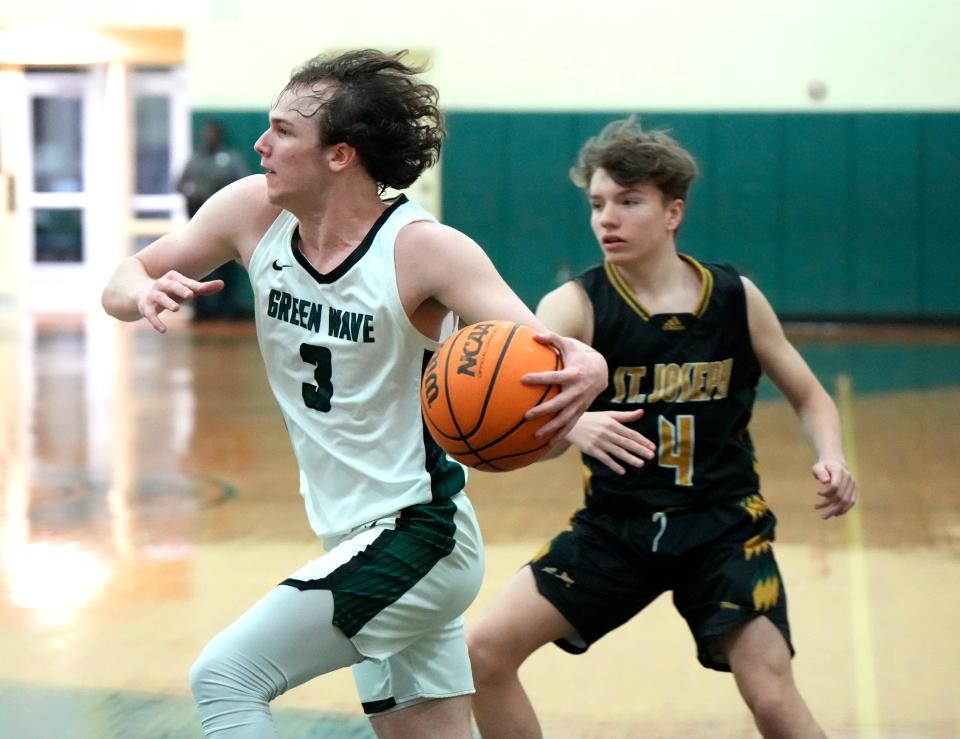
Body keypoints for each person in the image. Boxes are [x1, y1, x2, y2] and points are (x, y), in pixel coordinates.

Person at [101, 49, 607, 739]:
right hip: (353, 537)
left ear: (340, 155)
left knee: (227, 676)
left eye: (282, 130)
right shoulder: (251, 212)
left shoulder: (426, 251)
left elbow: (552, 352)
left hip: (418, 536)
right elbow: (122, 280)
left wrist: (592, 368)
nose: (261, 144)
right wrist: (143, 289)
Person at [467, 118, 859, 739]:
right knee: (481, 655)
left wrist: (833, 456)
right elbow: (529, 438)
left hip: (723, 525)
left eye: (629, 201)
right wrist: (575, 428)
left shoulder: (734, 297)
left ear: (673, 211)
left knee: (773, 695)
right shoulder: (573, 307)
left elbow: (812, 397)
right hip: (617, 528)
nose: (607, 219)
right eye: (597, 204)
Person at [176, 120, 252, 321]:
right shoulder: (195, 159)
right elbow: (180, 184)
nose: (208, 137)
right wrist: (191, 192)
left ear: (219, 135)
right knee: (198, 268)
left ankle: (226, 310)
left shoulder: (231, 159)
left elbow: (243, 183)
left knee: (226, 269)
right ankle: (200, 311)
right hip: (197, 224)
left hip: (226, 223)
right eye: (205, 133)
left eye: (212, 133)